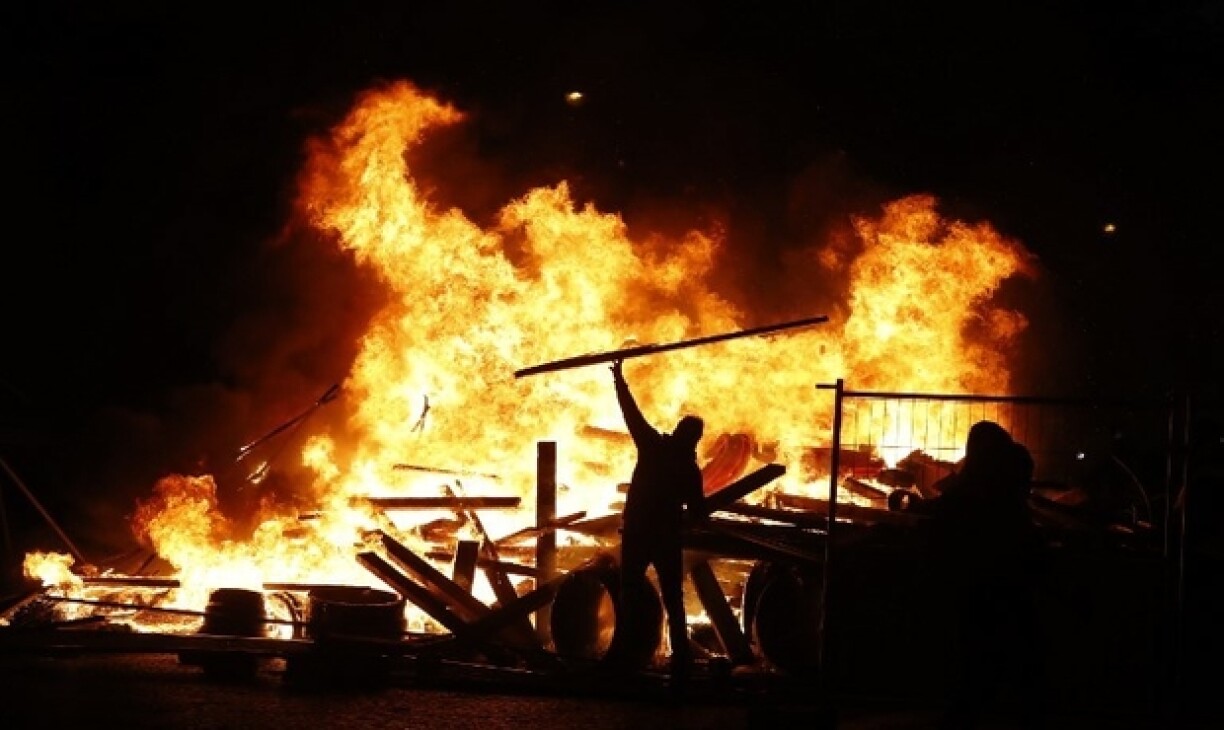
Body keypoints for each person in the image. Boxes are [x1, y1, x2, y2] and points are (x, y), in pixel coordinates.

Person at [911, 420, 1048, 729]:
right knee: (1011, 644)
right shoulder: (1011, 469)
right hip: (1009, 574)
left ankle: (970, 710)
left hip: (982, 576)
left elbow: (950, 509)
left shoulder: (977, 481)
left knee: (975, 644)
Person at [606, 358, 707, 688]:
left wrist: (619, 380)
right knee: (673, 601)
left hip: (638, 534)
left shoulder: (653, 447)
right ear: (696, 441)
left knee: (628, 594)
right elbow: (698, 512)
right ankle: (681, 665)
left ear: (679, 432)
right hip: (666, 539)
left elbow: (631, 414)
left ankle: (622, 656)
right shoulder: (689, 470)